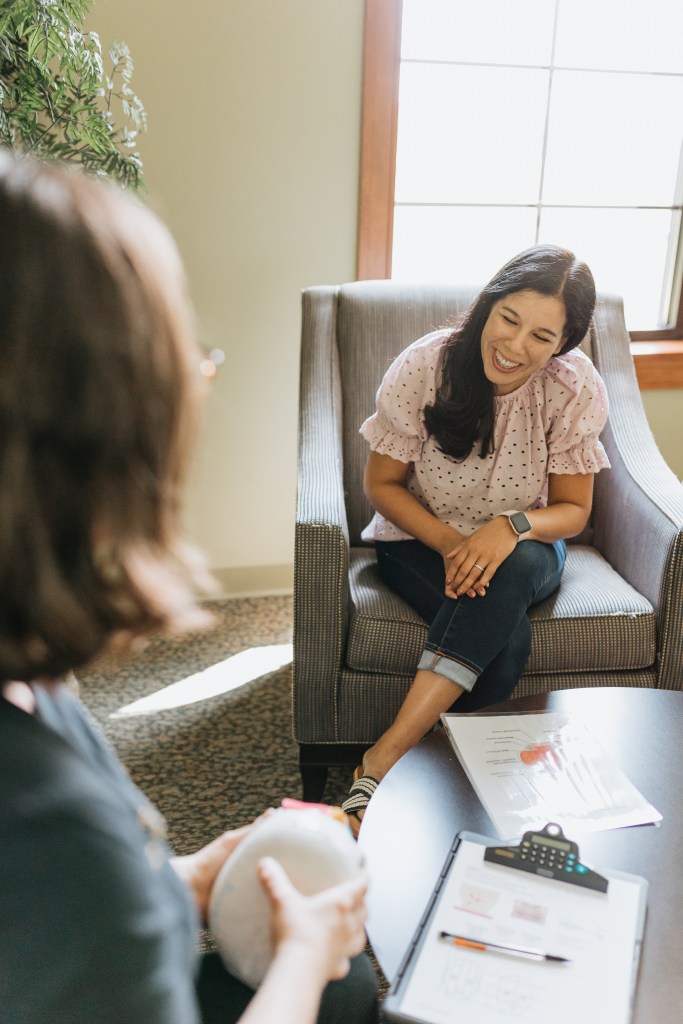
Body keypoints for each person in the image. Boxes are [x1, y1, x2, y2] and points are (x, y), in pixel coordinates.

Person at [0, 152, 378, 1024]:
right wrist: (303, 957)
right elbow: (69, 899)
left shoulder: (30, 677)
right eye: (187, 366)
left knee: (349, 986)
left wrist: (190, 878)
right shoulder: (53, 839)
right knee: (338, 981)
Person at [342, 245, 610, 834]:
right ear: (489, 303)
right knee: (505, 645)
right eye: (509, 319)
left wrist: (507, 528)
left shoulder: (574, 388)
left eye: (542, 336)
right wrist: (453, 546)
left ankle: (381, 762)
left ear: (563, 344)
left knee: (513, 571)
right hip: (417, 538)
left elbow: (573, 512)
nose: (515, 346)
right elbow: (382, 486)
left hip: (525, 542)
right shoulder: (426, 365)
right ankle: (442, 789)